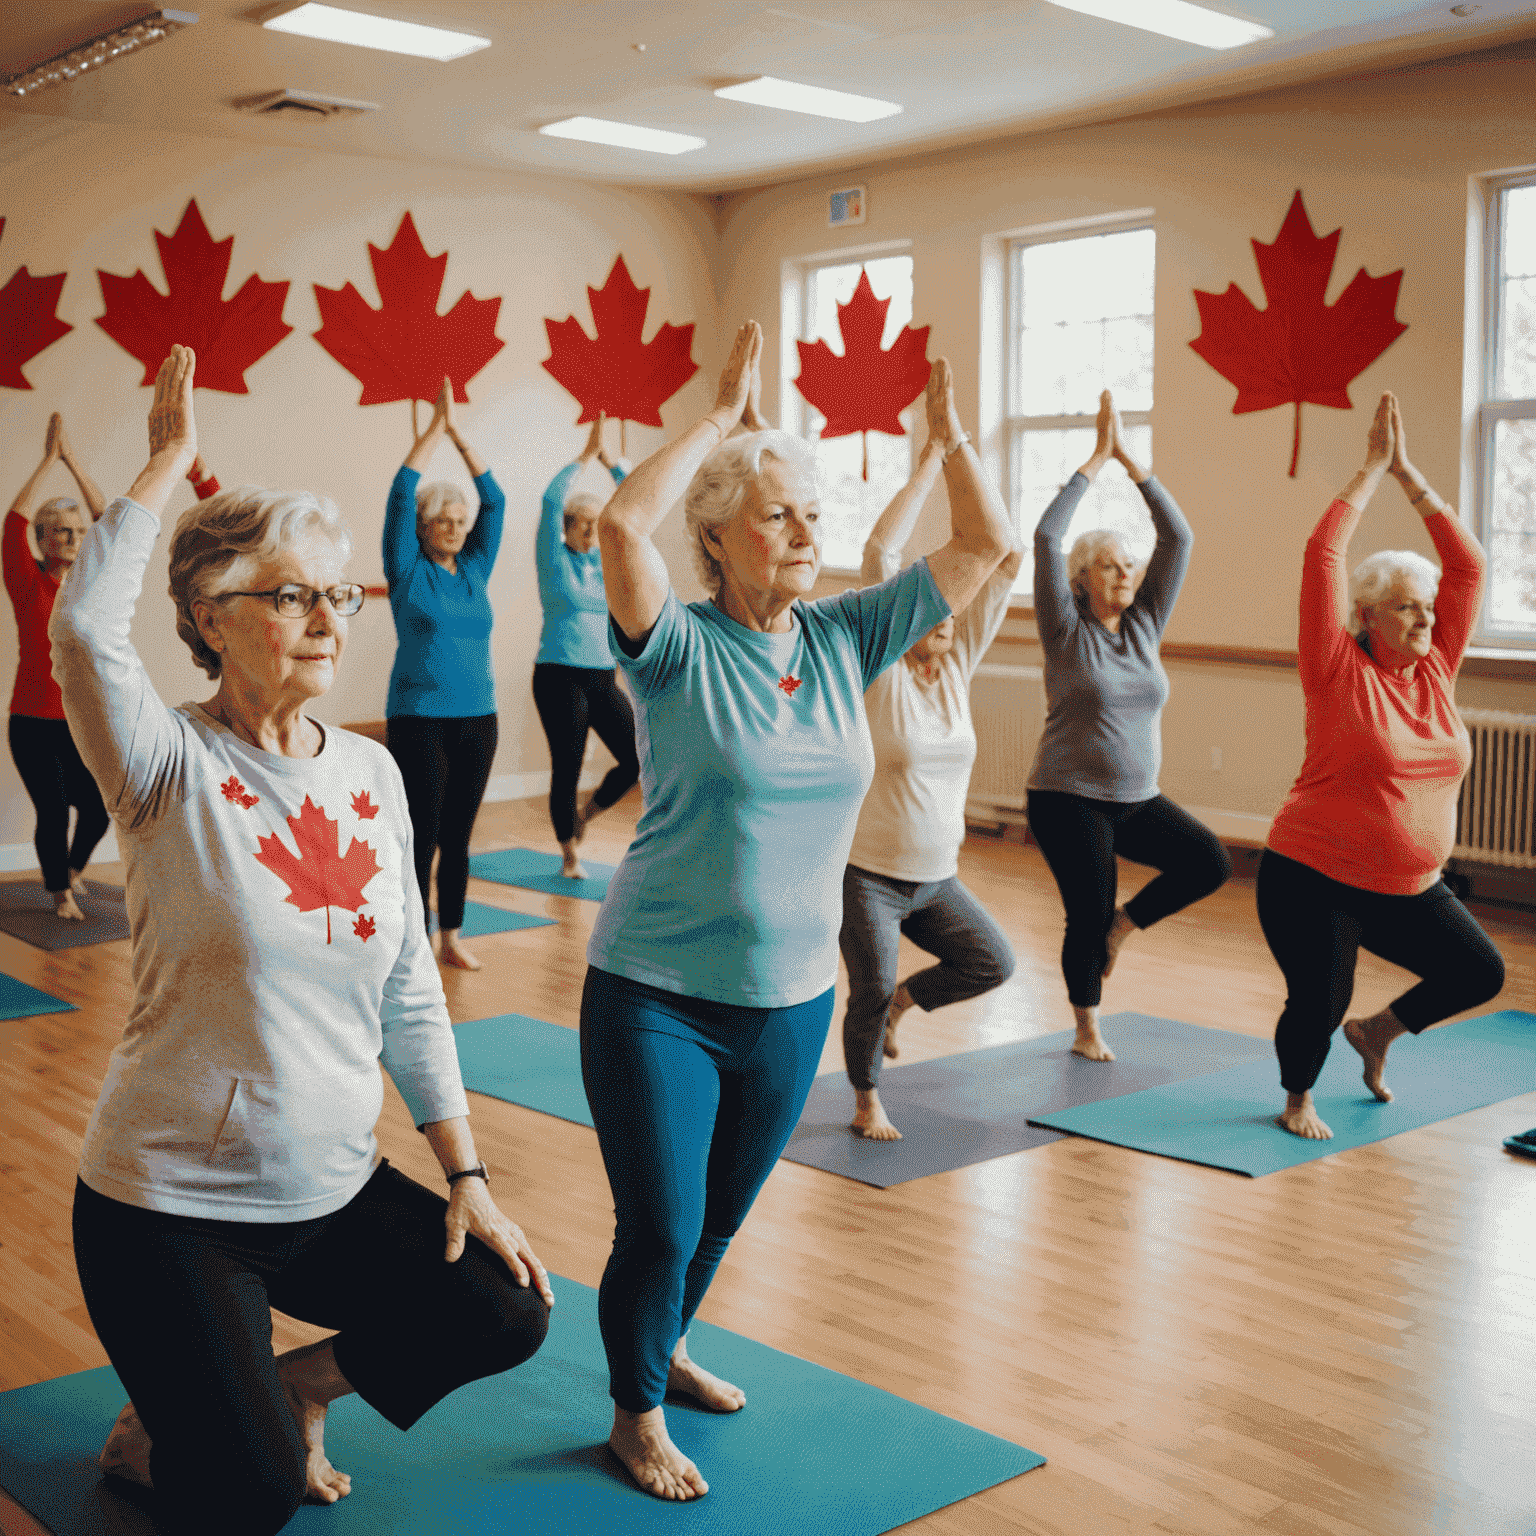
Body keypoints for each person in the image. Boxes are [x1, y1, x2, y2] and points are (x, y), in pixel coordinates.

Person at [51, 347, 553, 1536]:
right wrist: (165, 464)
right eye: (290, 594)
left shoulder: (372, 771)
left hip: (329, 1191)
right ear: (207, 620)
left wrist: (466, 1172)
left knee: (508, 1308)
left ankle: (283, 1390)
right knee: (252, 1500)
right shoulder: (166, 766)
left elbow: (408, 988)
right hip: (169, 1210)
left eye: (339, 594)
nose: (328, 617)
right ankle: (165, 1439)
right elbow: (81, 633)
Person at [580, 328, 1010, 1502]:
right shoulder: (671, 648)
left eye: (811, 515)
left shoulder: (843, 635)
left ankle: (661, 1347)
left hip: (789, 999)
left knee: (717, 1223)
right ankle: (633, 1413)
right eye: (777, 516)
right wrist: (723, 418)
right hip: (656, 993)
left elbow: (985, 544)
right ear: (715, 537)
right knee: (663, 1226)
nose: (807, 534)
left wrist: (953, 439)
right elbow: (623, 528)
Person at [1258, 392, 1506, 1140]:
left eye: (1426, 607)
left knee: (1479, 972)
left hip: (1407, 886)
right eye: (1405, 608)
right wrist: (1368, 469)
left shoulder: (1436, 670)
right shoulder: (1336, 668)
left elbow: (1468, 566)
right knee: (1318, 997)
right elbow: (1322, 555)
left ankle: (1378, 1034)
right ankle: (1298, 1095)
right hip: (1313, 876)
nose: (1425, 619)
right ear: (1366, 617)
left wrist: (1410, 475)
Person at [1025, 392, 1231, 1062]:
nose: (1127, 572)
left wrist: (1133, 464)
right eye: (1111, 564)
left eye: (1130, 565)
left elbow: (1181, 538)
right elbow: (1047, 538)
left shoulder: (1144, 625)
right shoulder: (1064, 629)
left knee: (1208, 860)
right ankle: (1086, 1025)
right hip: (1067, 797)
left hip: (1136, 799)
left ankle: (1125, 925)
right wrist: (1092, 462)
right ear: (1080, 580)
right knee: (1085, 911)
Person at [838, 416, 1022, 1140]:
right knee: (868, 984)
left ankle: (902, 1007)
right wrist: (925, 465)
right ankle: (865, 1098)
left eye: (954, 613)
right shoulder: (882, 671)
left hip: (937, 875)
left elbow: (1002, 555)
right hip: (870, 874)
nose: (948, 619)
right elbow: (880, 552)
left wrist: (960, 450)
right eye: (934, 609)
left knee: (992, 963)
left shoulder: (956, 669)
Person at [383, 380, 506, 970]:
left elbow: (497, 501)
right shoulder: (406, 569)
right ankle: (415, 937)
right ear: (425, 527)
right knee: (422, 834)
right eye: (443, 520)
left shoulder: (475, 569)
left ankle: (451, 935)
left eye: (461, 519)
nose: (455, 526)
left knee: (459, 834)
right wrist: (435, 431)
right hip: (418, 719)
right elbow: (401, 494)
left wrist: (462, 434)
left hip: (478, 717)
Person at [4, 411, 111, 919]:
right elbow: (13, 523)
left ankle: (68, 872)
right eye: (54, 531)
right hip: (30, 721)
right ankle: (59, 894)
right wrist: (48, 461)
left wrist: (74, 461)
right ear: (42, 539)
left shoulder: (92, 587)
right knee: (52, 810)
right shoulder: (28, 582)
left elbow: (112, 522)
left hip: (79, 720)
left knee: (94, 811)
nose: (66, 538)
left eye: (73, 531)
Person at [532, 411, 640, 879]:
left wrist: (614, 465)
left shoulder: (605, 564)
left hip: (602, 675)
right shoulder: (553, 561)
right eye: (584, 524)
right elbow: (550, 500)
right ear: (568, 527)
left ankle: (585, 816)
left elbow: (636, 510)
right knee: (568, 762)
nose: (592, 532)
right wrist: (583, 457)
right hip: (558, 674)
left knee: (636, 756)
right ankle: (568, 851)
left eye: (598, 524)